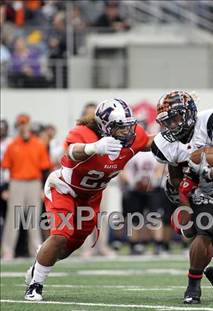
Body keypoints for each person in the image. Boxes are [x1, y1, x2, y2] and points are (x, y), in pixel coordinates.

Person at [24, 98, 153, 301]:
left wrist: (178, 141)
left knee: (67, 249)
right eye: (121, 127)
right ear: (105, 126)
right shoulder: (83, 133)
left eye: (129, 126)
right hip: (64, 189)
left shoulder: (132, 136)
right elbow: (70, 152)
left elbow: (149, 142)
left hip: (91, 197)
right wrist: (94, 147)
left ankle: (41, 259)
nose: (128, 132)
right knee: (60, 235)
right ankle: (35, 285)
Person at [151, 90, 213, 304]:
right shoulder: (166, 144)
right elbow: (177, 179)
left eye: (176, 118)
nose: (172, 126)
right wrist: (185, 195)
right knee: (207, 227)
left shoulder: (212, 122)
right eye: (167, 122)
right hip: (202, 191)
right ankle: (193, 285)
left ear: (189, 112)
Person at [1, 114, 50, 261]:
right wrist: (5, 188)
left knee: (33, 217)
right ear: (18, 127)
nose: (23, 127)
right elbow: (5, 169)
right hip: (16, 183)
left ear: (29, 125)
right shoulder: (12, 145)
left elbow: (44, 169)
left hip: (34, 183)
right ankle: (8, 250)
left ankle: (35, 248)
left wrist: (43, 188)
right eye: (21, 124)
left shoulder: (38, 145)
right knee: (13, 218)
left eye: (25, 124)